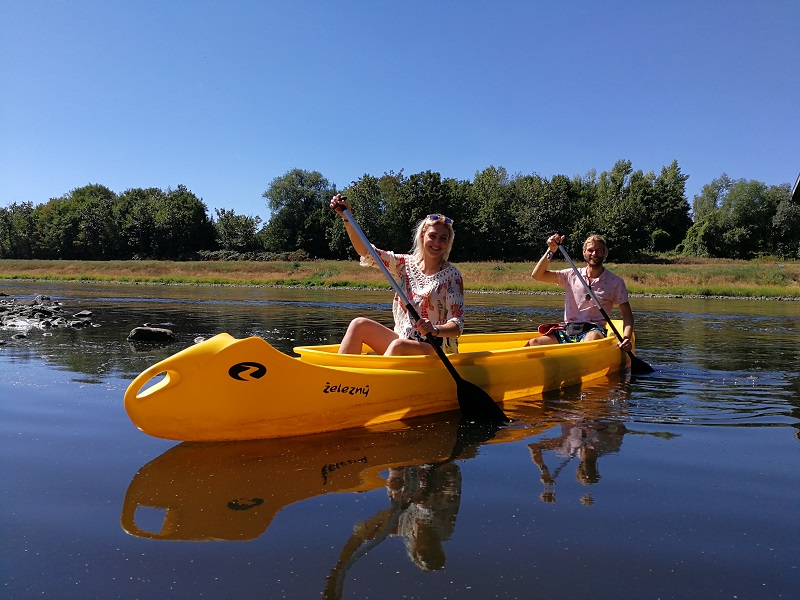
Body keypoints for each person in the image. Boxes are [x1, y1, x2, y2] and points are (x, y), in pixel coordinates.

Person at [329, 194, 465, 356]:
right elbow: (366, 252)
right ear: (422, 236)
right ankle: (340, 377)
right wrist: (347, 218)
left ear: (448, 242)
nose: (437, 243)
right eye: (432, 236)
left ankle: (373, 380)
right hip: (403, 338)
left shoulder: (452, 276)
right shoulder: (403, 264)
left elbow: (457, 325)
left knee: (398, 346)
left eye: (443, 238)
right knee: (359, 325)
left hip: (437, 348)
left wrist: (434, 329)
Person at [527, 233, 634, 350]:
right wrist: (551, 250)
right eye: (590, 250)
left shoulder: (616, 282)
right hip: (568, 329)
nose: (594, 254)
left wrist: (626, 338)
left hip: (594, 330)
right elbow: (537, 275)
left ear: (605, 253)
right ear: (584, 252)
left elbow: (627, 315)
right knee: (534, 343)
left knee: (592, 338)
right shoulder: (571, 275)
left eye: (599, 250)